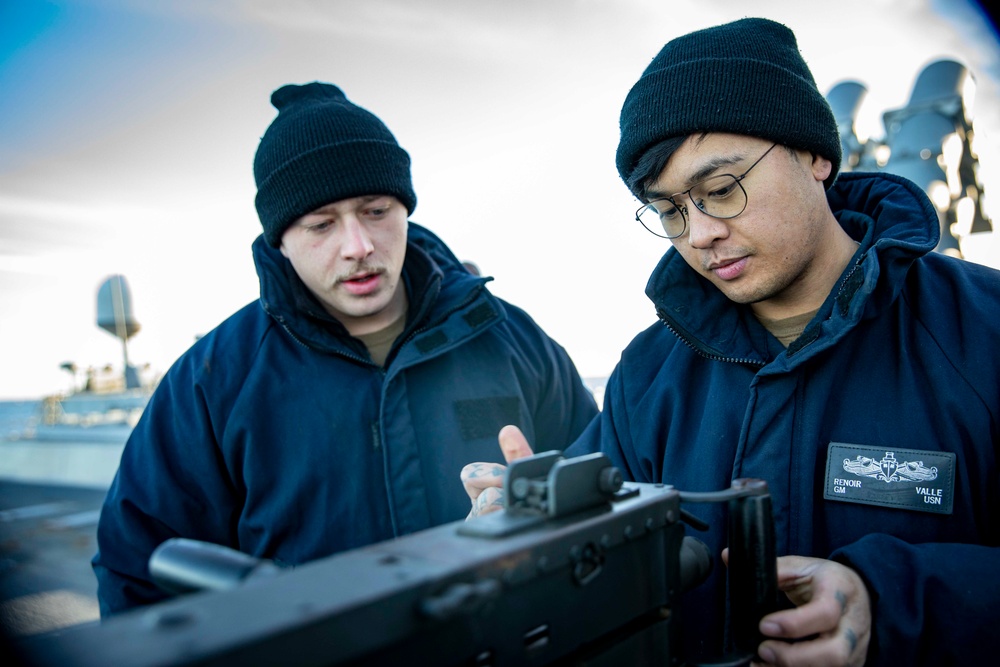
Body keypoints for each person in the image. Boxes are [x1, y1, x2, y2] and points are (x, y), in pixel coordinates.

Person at [463, 17, 999, 667]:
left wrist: (890, 602)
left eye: (721, 190)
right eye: (670, 210)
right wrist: (525, 538)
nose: (700, 232)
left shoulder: (982, 334)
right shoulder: (647, 375)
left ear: (814, 154)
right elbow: (595, 587)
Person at [92, 82, 598, 616]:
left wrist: (542, 516)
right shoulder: (213, 381)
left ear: (405, 209)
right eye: (321, 224)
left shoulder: (510, 339)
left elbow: (603, 498)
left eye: (376, 210)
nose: (358, 246)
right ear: (280, 240)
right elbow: (138, 572)